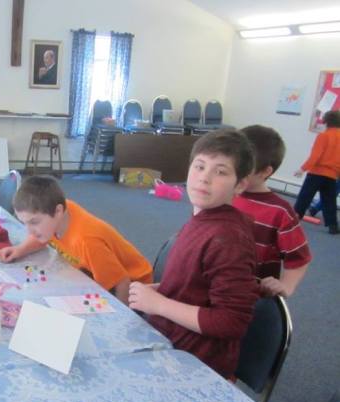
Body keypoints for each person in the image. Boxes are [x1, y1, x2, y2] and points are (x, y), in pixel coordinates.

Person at [128, 129, 259, 379]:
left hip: (193, 362)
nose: (204, 178)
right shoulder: (205, 219)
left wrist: (159, 304)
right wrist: (165, 289)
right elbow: (199, 284)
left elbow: (231, 321)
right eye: (199, 166)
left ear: (240, 184)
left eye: (220, 172)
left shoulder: (228, 239)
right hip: (170, 338)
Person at [0, 175, 153, 304]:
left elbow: (122, 282)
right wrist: (19, 250)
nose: (29, 231)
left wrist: (123, 320)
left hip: (136, 289)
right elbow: (41, 237)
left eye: (34, 222)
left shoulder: (87, 241)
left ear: (58, 211)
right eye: (25, 223)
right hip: (94, 270)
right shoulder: (57, 216)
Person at [233, 125, 312, 297]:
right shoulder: (223, 193)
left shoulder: (280, 211)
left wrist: (286, 286)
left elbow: (299, 257)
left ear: (265, 171)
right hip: (212, 284)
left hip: (252, 294)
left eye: (243, 168)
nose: (234, 172)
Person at [293, 110, 340, 235]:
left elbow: (316, 156)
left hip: (316, 173)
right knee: (330, 201)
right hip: (331, 175)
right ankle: (333, 226)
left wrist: (302, 169)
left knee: (304, 197)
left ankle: (293, 220)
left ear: (326, 121)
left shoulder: (323, 136)